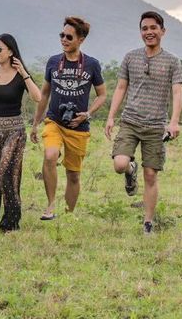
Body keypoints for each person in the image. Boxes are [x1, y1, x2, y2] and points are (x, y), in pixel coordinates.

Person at [104, 12, 182, 235]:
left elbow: (177, 92)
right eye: (144, 28)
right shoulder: (131, 57)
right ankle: (131, 169)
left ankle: (148, 223)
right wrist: (111, 116)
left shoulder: (172, 61)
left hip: (156, 125)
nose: (148, 32)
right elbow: (121, 88)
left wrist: (174, 121)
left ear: (162, 31)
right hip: (130, 120)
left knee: (151, 175)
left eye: (153, 28)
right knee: (119, 164)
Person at [31, 17, 106, 219]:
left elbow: (102, 94)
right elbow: (44, 93)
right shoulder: (54, 62)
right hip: (54, 121)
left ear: (80, 39)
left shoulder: (91, 64)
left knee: (73, 175)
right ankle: (50, 206)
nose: (64, 39)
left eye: (69, 36)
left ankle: (67, 215)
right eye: (61, 35)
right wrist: (35, 123)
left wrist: (88, 114)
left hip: (78, 127)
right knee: (50, 156)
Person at [0, 34, 42, 231]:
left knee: (7, 173)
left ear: (11, 51)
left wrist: (24, 73)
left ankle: (11, 220)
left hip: (14, 130)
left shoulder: (19, 74)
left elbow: (37, 97)